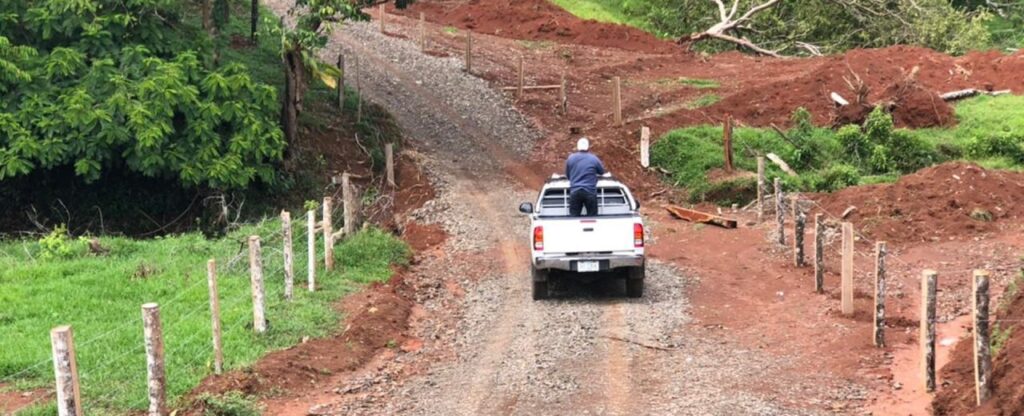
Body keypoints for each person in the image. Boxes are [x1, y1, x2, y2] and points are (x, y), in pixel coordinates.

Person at [565, 137, 606, 216]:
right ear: (588, 147)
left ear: (577, 147)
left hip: (575, 192)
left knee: (573, 218)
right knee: (592, 218)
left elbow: (568, 175)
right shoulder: (594, 159)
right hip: (590, 192)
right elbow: (601, 172)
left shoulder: (571, 158)